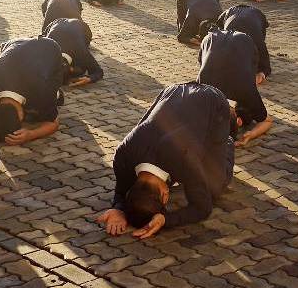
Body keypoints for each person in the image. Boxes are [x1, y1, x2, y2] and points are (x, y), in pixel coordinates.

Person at [96, 81, 234, 240]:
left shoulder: (184, 161)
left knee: (215, 187)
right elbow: (121, 191)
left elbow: (203, 207)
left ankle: (227, 142)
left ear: (165, 195)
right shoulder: (122, 156)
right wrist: (118, 209)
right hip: (173, 90)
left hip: (212, 99)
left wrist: (167, 220)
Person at [0, 37, 64, 146]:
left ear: (22, 116)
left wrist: (31, 134)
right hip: (14, 43)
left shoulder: (42, 91)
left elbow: (54, 123)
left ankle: (57, 93)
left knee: (54, 95)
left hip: (49, 48)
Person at [198, 28, 273, 147]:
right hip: (217, 40)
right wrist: (251, 134)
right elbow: (268, 120)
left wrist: (251, 134)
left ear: (238, 121)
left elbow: (268, 121)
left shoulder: (246, 91)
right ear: (239, 121)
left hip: (220, 39)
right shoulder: (246, 92)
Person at [218, 4, 272, 84]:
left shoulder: (256, 39)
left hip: (233, 34)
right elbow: (266, 64)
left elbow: (218, 27)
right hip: (246, 28)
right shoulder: (257, 39)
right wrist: (262, 72)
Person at [43, 17, 104, 86]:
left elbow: (98, 72)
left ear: (72, 69)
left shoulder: (81, 50)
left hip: (83, 28)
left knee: (82, 66)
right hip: (55, 23)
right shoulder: (46, 49)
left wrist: (89, 79)